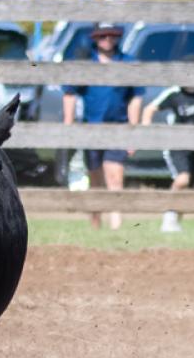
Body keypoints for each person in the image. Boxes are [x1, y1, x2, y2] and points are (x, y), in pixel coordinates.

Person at [61, 24, 142, 230]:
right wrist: (68, 127)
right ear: (95, 38)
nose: (107, 39)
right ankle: (95, 222)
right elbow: (69, 93)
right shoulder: (87, 63)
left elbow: (135, 97)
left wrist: (133, 130)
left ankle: (116, 226)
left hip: (119, 127)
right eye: (103, 35)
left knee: (115, 176)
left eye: (112, 35)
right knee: (95, 177)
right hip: (91, 128)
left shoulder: (128, 63)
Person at [141, 60, 194, 233]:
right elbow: (149, 109)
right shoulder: (174, 93)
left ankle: (175, 222)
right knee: (182, 179)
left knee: (187, 186)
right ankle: (168, 216)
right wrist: (146, 130)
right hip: (175, 144)